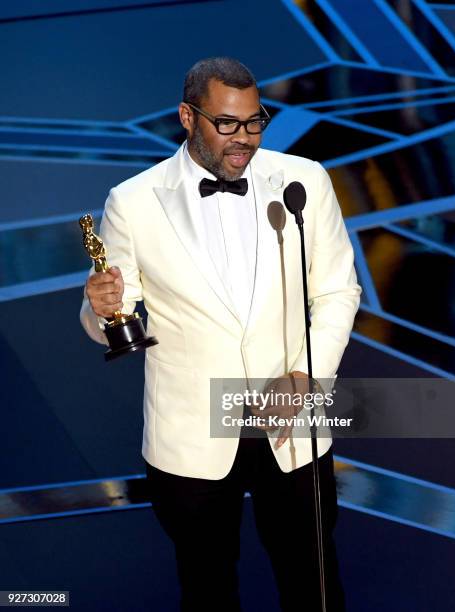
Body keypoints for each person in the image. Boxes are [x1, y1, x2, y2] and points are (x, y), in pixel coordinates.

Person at [80, 57, 361, 611]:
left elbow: (336, 292)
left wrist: (308, 375)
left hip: (291, 420)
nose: (244, 139)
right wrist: (100, 310)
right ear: (188, 116)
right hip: (191, 435)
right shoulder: (133, 202)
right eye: (226, 124)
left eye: (255, 122)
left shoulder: (304, 180)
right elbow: (117, 316)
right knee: (206, 587)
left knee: (314, 580)